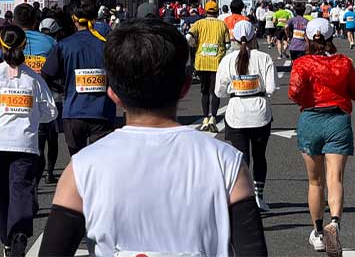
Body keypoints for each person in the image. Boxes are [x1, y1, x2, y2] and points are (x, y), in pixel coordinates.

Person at [39, 19, 267, 256]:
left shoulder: (81, 168)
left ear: (113, 93)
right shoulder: (227, 162)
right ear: (185, 86)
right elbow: (253, 251)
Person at [288, 19, 355, 256]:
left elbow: (294, 92)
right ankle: (335, 222)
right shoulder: (344, 62)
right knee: (335, 178)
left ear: (308, 39)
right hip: (338, 120)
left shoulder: (302, 63)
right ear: (332, 37)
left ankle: (318, 232)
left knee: (315, 182)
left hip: (311, 119)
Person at [0, 25, 57, 256]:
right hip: (25, 144)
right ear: (24, 46)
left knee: (2, 194)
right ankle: (18, 237)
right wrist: (33, 117)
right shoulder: (34, 78)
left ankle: (6, 239)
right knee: (21, 191)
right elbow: (50, 112)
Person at [41, 0, 115, 157]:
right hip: (102, 113)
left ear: (74, 19)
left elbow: (45, 74)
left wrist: (60, 89)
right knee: (101, 163)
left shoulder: (64, 45)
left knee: (77, 163)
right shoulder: (108, 46)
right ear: (95, 17)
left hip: (73, 112)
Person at [216, 20, 276, 212]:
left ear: (233, 37)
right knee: (259, 156)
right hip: (260, 113)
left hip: (236, 113)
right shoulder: (264, 58)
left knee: (240, 159)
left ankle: (243, 198)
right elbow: (271, 88)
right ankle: (259, 196)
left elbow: (219, 91)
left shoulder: (227, 60)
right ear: (254, 36)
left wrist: (236, 88)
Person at [14, 4, 59, 189]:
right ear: (35, 22)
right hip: (43, 99)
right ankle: (43, 177)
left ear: (14, 21)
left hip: (13, 99)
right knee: (45, 141)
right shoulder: (50, 42)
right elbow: (57, 70)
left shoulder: (9, 41)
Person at [187, 1, 229, 133]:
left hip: (202, 61)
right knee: (215, 91)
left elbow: (188, 37)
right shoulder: (222, 24)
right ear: (217, 11)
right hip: (217, 62)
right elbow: (227, 44)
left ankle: (205, 118)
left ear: (205, 11)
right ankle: (213, 118)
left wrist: (194, 45)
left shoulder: (199, 23)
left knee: (204, 92)